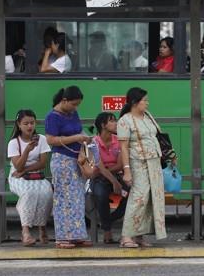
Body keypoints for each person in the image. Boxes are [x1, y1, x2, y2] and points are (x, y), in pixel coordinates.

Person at [117, 87, 167, 247]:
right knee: (139, 197)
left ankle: (139, 234)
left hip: (154, 162)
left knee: (151, 198)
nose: (147, 103)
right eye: (144, 100)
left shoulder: (148, 117)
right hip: (138, 163)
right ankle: (126, 236)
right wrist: (126, 170)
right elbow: (124, 147)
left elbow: (157, 136)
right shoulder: (125, 121)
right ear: (134, 102)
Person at [45, 86, 92, 249]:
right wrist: (76, 137)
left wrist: (84, 139)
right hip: (62, 160)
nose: (75, 108)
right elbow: (50, 140)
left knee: (77, 198)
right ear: (64, 101)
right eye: (73, 104)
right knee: (63, 199)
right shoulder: (52, 117)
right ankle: (62, 236)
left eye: (77, 104)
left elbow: (79, 130)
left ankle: (77, 234)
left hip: (76, 159)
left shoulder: (73, 114)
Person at [7, 109, 53, 247]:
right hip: (17, 176)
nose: (29, 126)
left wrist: (26, 170)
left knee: (47, 192)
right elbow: (18, 167)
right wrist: (27, 150)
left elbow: (42, 162)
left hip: (35, 174)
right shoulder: (14, 143)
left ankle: (42, 227)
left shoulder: (42, 139)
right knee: (29, 193)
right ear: (19, 125)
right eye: (25, 123)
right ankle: (25, 231)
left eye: (32, 123)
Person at [86, 112, 129, 244]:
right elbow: (97, 167)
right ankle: (107, 232)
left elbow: (120, 164)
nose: (116, 123)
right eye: (112, 121)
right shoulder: (93, 143)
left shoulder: (119, 141)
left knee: (132, 191)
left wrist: (108, 173)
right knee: (101, 194)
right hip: (99, 179)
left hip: (114, 175)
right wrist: (113, 181)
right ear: (103, 125)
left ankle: (108, 220)